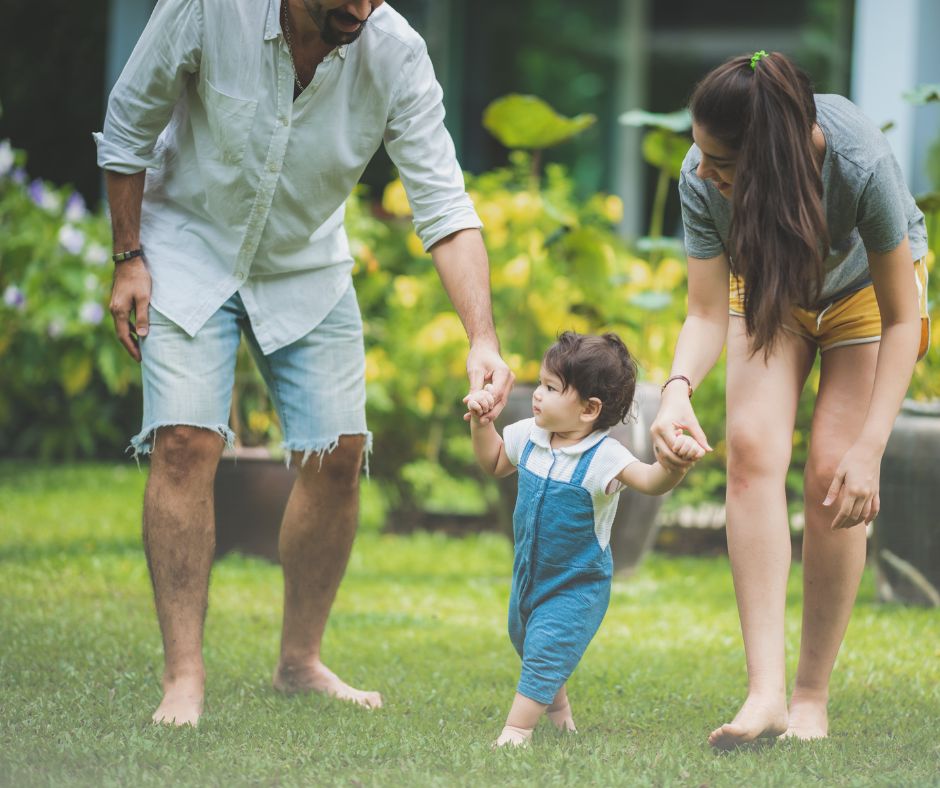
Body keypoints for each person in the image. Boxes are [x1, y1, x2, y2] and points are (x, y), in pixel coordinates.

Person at [95, 0, 513, 727]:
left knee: (340, 454)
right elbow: (129, 126)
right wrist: (127, 255)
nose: (358, 7)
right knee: (185, 442)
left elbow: (443, 204)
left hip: (304, 264)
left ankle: (300, 661)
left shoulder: (396, 53)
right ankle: (183, 677)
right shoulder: (206, 9)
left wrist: (483, 338)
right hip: (186, 246)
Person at [650, 51, 930, 748]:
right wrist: (676, 390)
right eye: (700, 153)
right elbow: (707, 313)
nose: (703, 170)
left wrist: (869, 451)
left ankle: (810, 696)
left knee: (835, 469)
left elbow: (905, 318)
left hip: (867, 296)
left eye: (721, 161)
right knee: (750, 450)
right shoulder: (700, 177)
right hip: (774, 287)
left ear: (772, 154)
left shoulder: (855, 160)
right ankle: (765, 696)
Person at [466, 332, 705, 747]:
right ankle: (560, 714)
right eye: (541, 383)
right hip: (529, 575)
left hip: (577, 585)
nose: (538, 395)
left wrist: (674, 467)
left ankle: (516, 731)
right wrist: (483, 424)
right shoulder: (528, 435)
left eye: (552, 388)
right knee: (525, 639)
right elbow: (494, 462)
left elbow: (650, 481)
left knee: (545, 650)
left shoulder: (605, 457)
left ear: (589, 409)